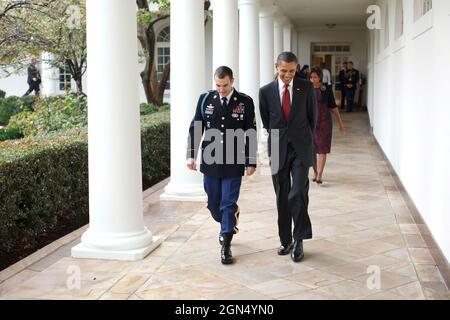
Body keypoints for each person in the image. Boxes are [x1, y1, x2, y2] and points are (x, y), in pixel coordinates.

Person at [186, 66, 257, 265]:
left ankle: (226, 242)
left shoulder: (245, 101)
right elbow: (196, 128)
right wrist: (191, 155)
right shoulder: (205, 99)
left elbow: (251, 131)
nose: (221, 89)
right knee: (213, 203)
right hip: (211, 160)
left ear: (232, 81)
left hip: (234, 161)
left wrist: (251, 160)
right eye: (218, 85)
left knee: (227, 202)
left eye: (225, 85)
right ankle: (229, 218)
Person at [259, 52, 317, 263]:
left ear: (296, 68)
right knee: (282, 195)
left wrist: (306, 141)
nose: (287, 75)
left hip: (301, 148)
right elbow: (267, 120)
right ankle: (285, 240)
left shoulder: (306, 87)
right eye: (283, 70)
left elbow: (313, 119)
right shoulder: (265, 91)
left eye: (292, 71)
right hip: (277, 146)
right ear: (276, 67)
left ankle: (299, 238)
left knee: (297, 193)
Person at [309, 67, 346, 185]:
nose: (312, 79)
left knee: (322, 149)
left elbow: (333, 107)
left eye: (315, 77)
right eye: (311, 77)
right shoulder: (307, 90)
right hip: (311, 123)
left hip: (324, 123)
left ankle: (320, 174)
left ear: (320, 77)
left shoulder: (326, 89)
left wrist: (340, 123)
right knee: (312, 149)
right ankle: (315, 172)